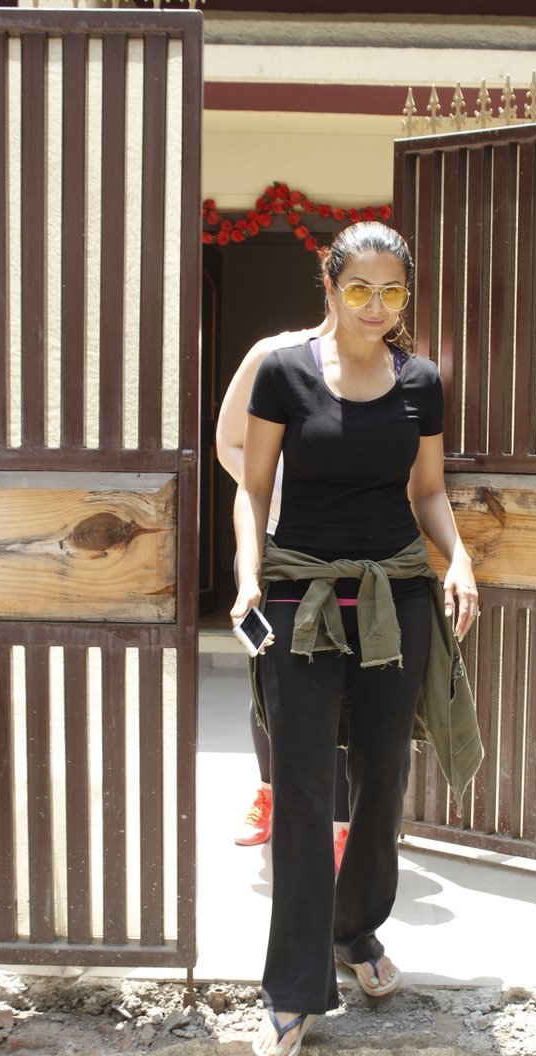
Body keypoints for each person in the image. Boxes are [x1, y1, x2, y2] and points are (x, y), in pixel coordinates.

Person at [231, 222, 483, 1056]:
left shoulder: (422, 382)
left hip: (396, 598)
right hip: (300, 597)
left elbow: (428, 490)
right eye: (360, 289)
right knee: (303, 787)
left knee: (382, 777)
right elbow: (252, 488)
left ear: (405, 295)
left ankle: (356, 929)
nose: (377, 306)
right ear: (330, 285)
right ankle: (292, 990)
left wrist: (459, 559)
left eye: (393, 291)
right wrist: (247, 573)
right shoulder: (284, 371)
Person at [216, 317, 351, 867]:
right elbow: (228, 442)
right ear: (330, 288)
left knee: (346, 689)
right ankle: (268, 791)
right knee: (269, 679)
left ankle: (344, 822)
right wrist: (275, 498)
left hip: (352, 554)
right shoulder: (273, 353)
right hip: (274, 547)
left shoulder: (383, 365)